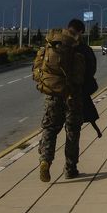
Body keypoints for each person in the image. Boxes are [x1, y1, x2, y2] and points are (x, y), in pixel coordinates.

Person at [38, 19, 86, 182]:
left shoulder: (52, 41)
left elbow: (38, 66)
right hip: (72, 96)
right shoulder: (76, 47)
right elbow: (82, 76)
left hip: (51, 94)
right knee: (72, 132)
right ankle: (70, 168)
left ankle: (45, 160)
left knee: (50, 129)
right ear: (79, 32)